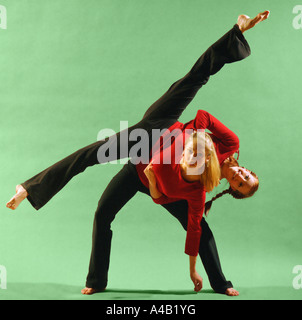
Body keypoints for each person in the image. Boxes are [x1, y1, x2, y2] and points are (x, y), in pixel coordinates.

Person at [6, 11, 269, 296]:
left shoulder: (205, 185)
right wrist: (193, 140)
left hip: (158, 180)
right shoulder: (230, 144)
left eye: (241, 184)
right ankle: (33, 194)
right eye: (247, 175)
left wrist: (191, 267)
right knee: (96, 173)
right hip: (158, 130)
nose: (241, 177)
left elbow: (184, 218)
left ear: (234, 188)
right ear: (247, 169)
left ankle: (220, 283)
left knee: (199, 228)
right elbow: (203, 115)